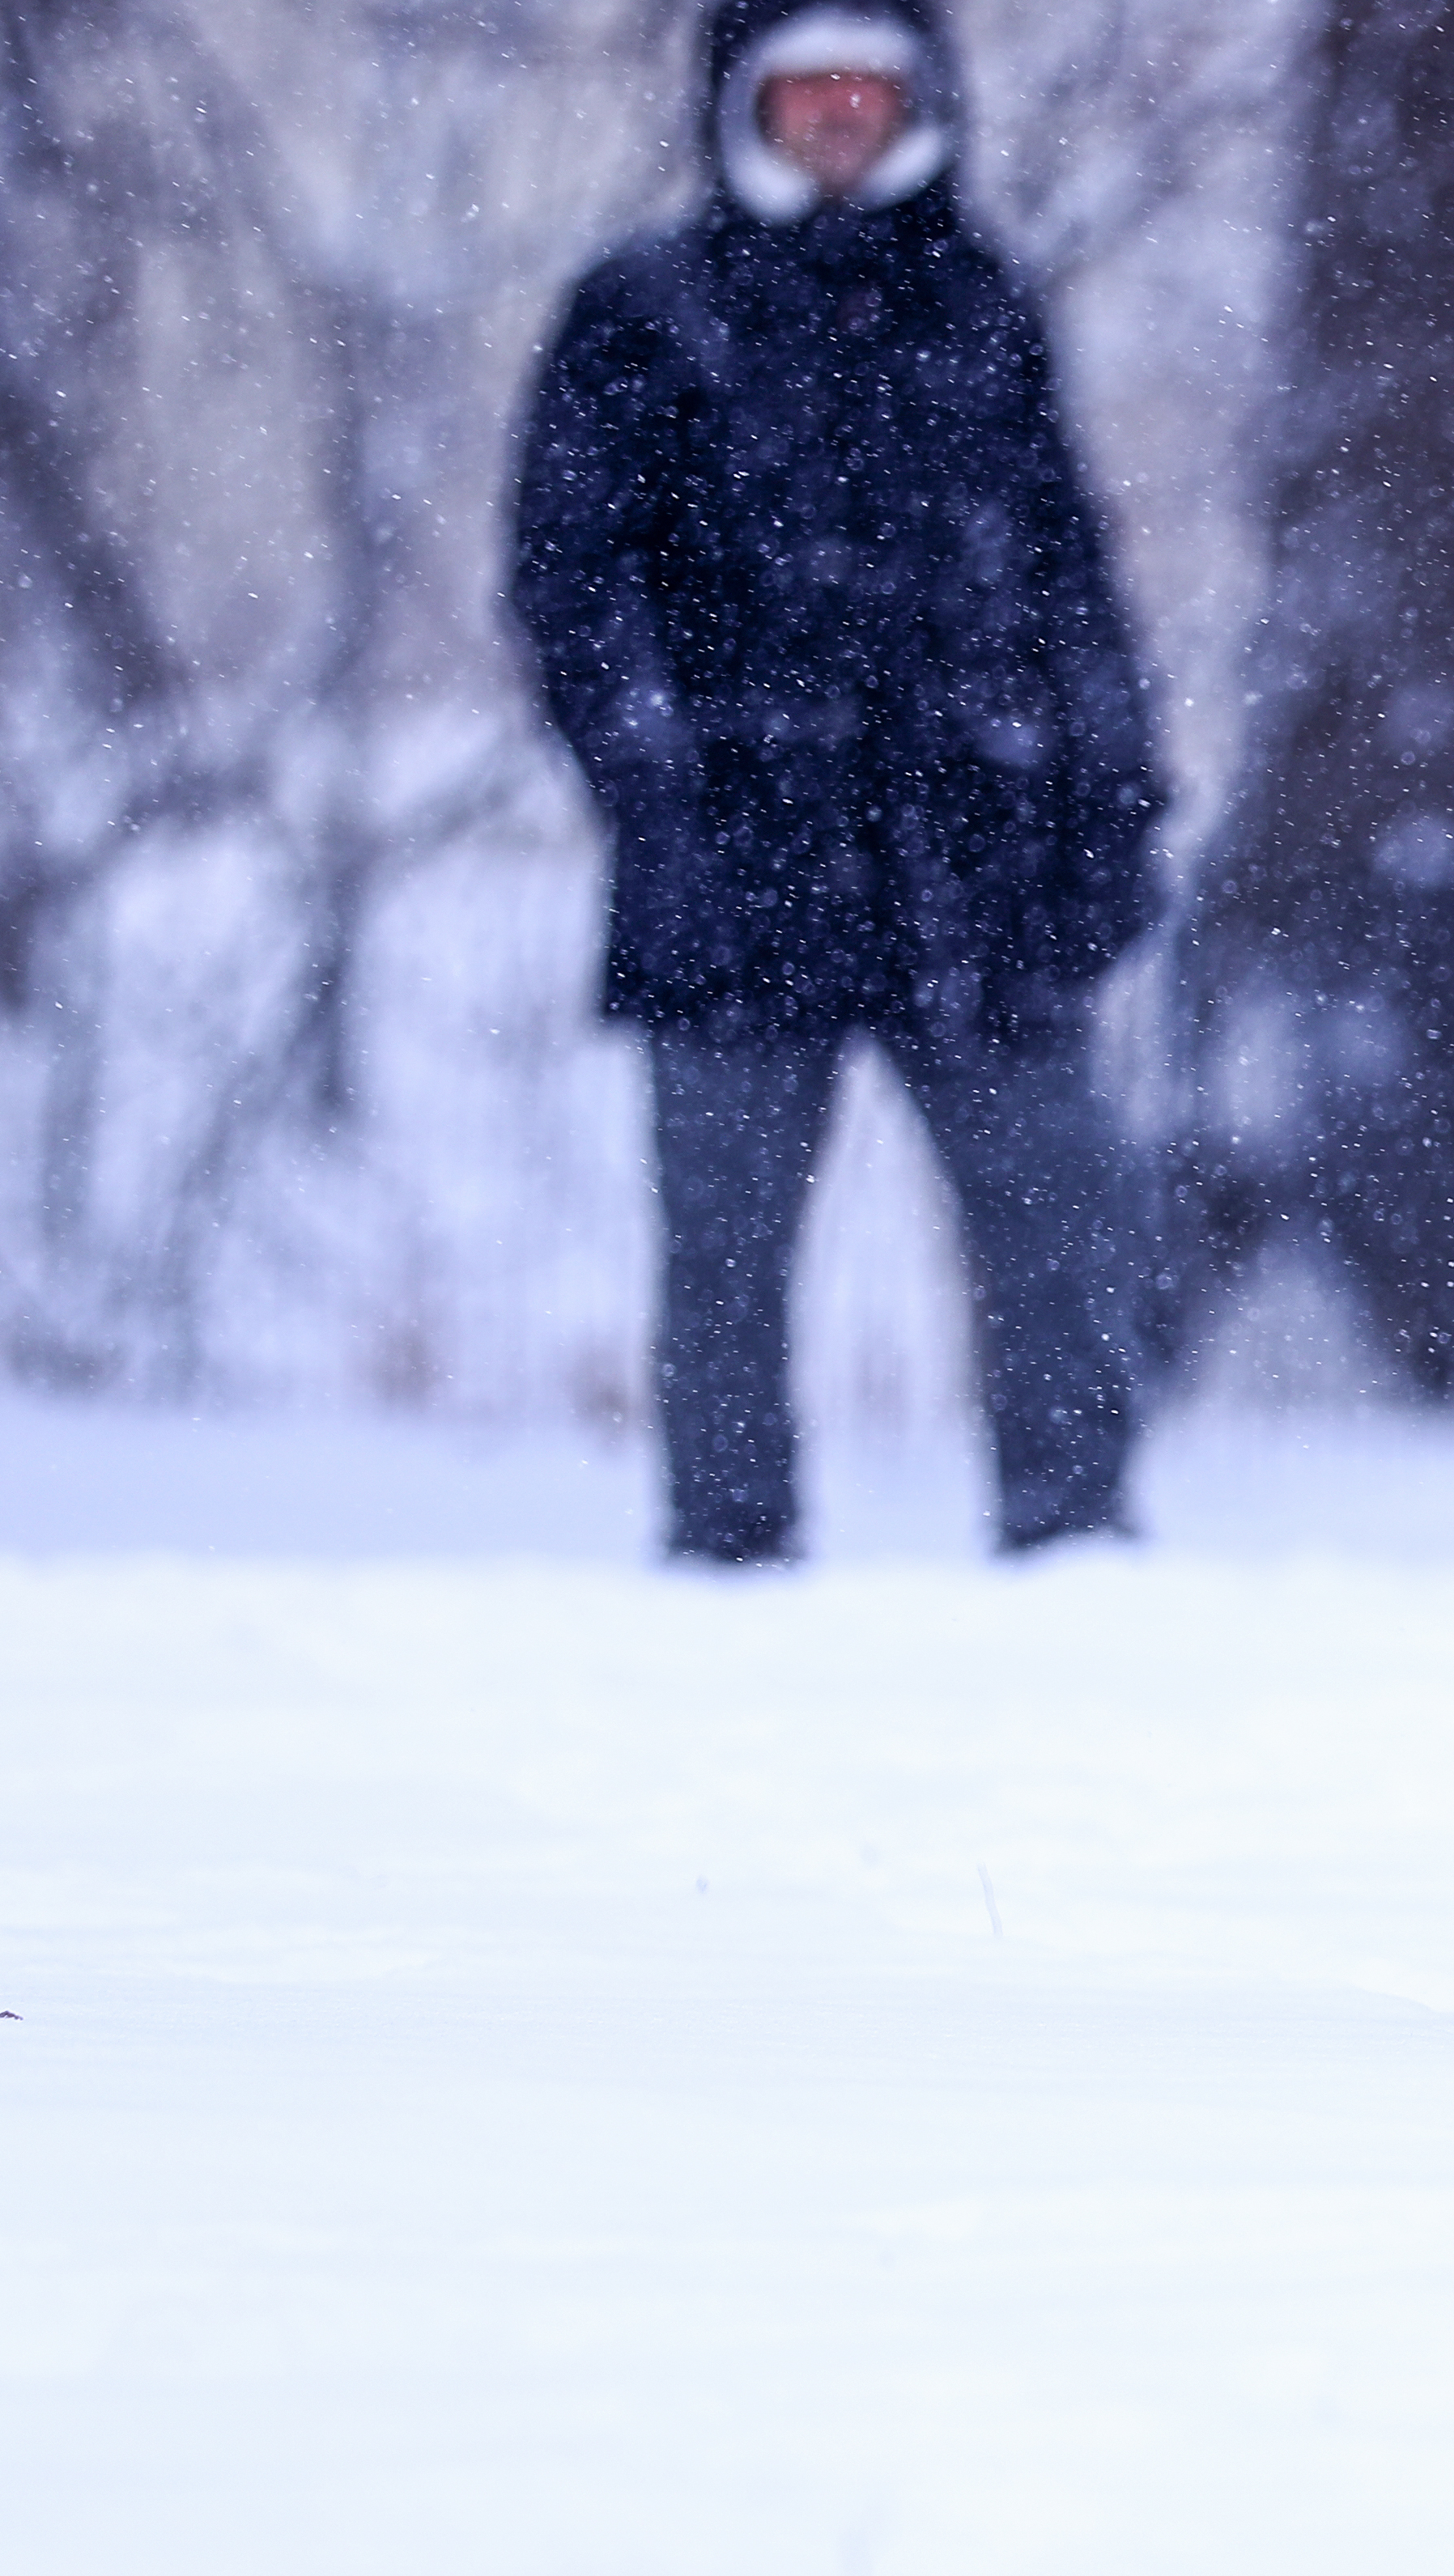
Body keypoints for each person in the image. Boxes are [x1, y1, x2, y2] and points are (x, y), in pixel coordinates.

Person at [513, 0, 1167, 1563]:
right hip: (731, 870)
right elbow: (567, 582)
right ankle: (729, 1565)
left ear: (915, 103)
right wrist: (658, 773)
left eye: (864, 90)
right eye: (804, 90)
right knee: (724, 1251)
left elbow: (1070, 580)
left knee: (1057, 1221)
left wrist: (1112, 801)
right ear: (749, 104)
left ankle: (1076, 1559)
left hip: (979, 867)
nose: (835, 118)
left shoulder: (981, 304)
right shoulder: (642, 311)